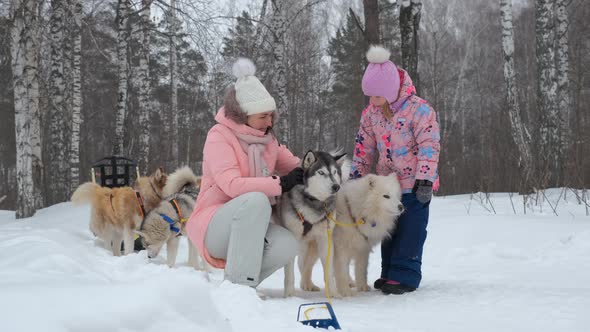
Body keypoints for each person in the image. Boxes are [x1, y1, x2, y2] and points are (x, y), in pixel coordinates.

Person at [186, 58, 304, 287]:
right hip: (213, 224)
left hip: (251, 224)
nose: (269, 121)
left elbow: (297, 166)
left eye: (271, 115)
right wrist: (280, 184)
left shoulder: (268, 141)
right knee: (256, 200)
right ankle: (239, 291)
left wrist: (323, 169)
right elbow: (231, 184)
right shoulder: (219, 136)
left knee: (287, 245)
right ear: (243, 114)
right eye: (262, 116)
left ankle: (239, 287)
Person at [350, 45, 441, 294]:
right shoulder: (371, 114)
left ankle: (406, 275)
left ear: (390, 91)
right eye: (369, 96)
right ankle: (389, 272)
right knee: (389, 230)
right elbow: (363, 148)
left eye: (377, 96)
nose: (372, 101)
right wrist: (355, 179)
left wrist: (425, 178)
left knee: (411, 229)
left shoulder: (420, 110)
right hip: (387, 186)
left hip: (415, 184)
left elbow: (429, 145)